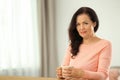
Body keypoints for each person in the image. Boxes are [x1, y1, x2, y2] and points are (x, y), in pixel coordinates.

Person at [56, 7, 112, 80]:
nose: (81, 28)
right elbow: (64, 68)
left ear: (94, 23)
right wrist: (61, 73)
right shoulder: (72, 44)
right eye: (78, 24)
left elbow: (103, 76)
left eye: (85, 23)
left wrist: (80, 73)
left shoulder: (105, 44)